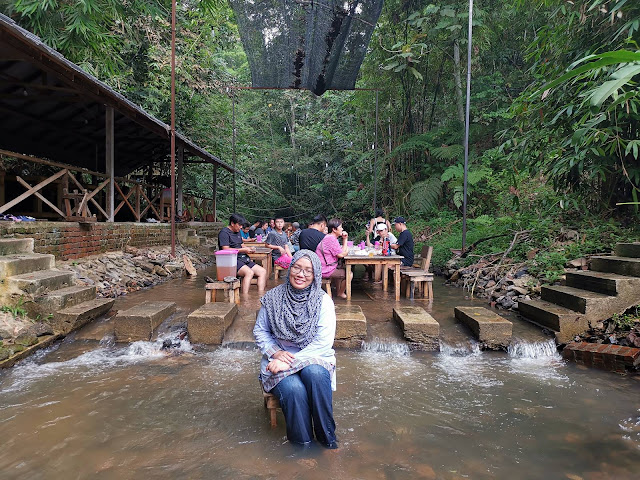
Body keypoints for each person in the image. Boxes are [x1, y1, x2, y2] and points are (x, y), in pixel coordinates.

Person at [253, 250, 338, 449]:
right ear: (290, 268)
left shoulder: (323, 301)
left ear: (316, 274)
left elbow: (323, 343)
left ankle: (328, 442)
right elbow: (260, 330)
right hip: (278, 357)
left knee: (316, 374)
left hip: (313, 356)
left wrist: (286, 361)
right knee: (293, 389)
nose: (301, 274)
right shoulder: (273, 298)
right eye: (297, 268)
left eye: (308, 271)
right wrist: (275, 352)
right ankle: (303, 448)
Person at [218, 213, 267, 293]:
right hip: (230, 261)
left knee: (262, 271)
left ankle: (260, 296)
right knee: (249, 273)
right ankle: (245, 298)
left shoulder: (237, 231)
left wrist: (248, 248)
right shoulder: (224, 233)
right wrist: (243, 250)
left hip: (242, 258)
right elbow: (225, 250)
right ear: (232, 223)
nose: (241, 227)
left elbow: (241, 244)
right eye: (239, 225)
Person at [316, 218, 349, 299]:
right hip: (325, 269)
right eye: (340, 227)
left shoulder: (330, 238)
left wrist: (345, 239)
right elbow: (341, 254)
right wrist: (346, 251)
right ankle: (340, 293)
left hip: (325, 267)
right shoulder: (331, 239)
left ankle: (339, 291)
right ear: (334, 229)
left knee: (341, 268)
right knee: (349, 274)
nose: (342, 229)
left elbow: (341, 252)